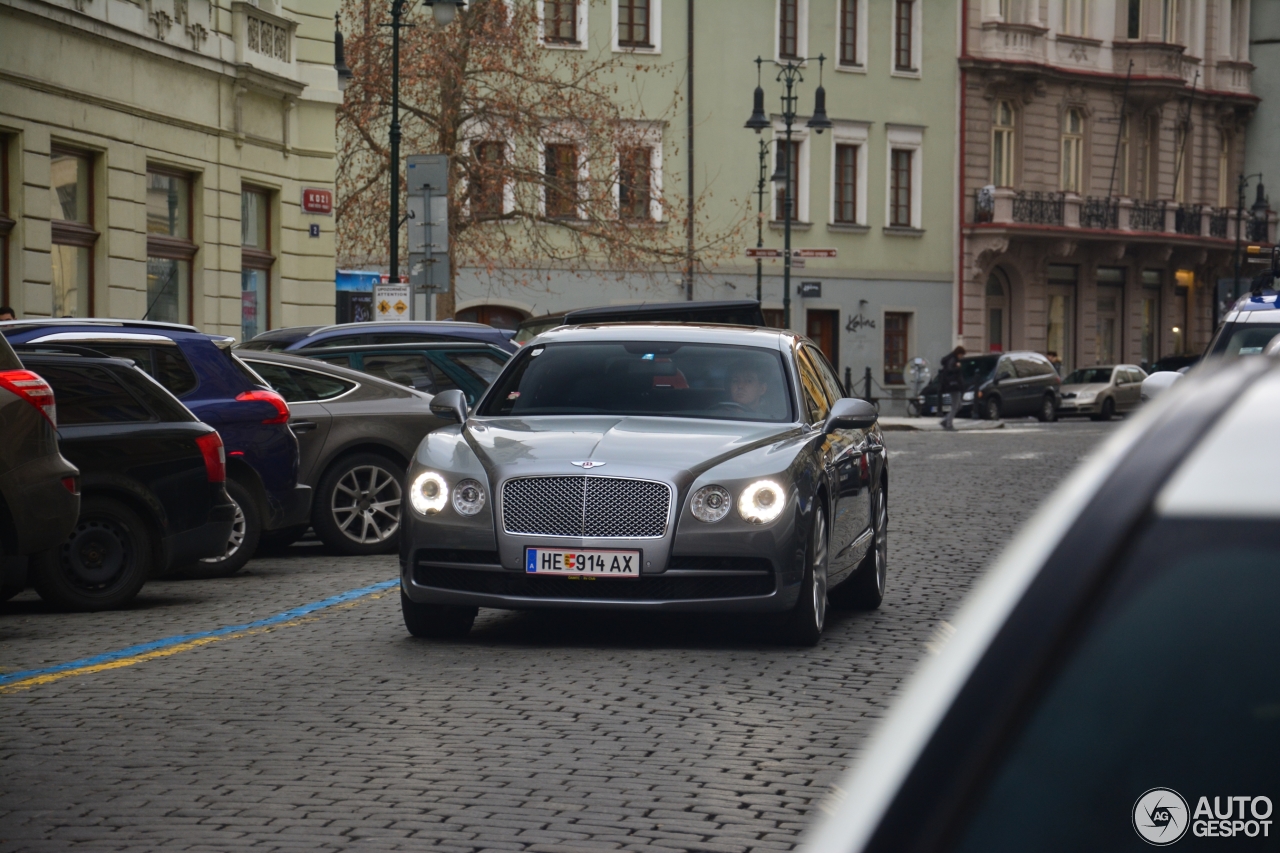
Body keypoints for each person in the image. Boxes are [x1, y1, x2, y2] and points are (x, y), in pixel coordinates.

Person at [939, 345, 966, 430]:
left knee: (959, 406)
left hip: (952, 385)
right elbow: (950, 370)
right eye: (962, 355)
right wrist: (957, 367)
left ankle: (945, 421)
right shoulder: (953, 360)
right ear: (959, 353)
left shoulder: (951, 358)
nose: (962, 357)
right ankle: (949, 425)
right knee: (955, 406)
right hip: (954, 385)